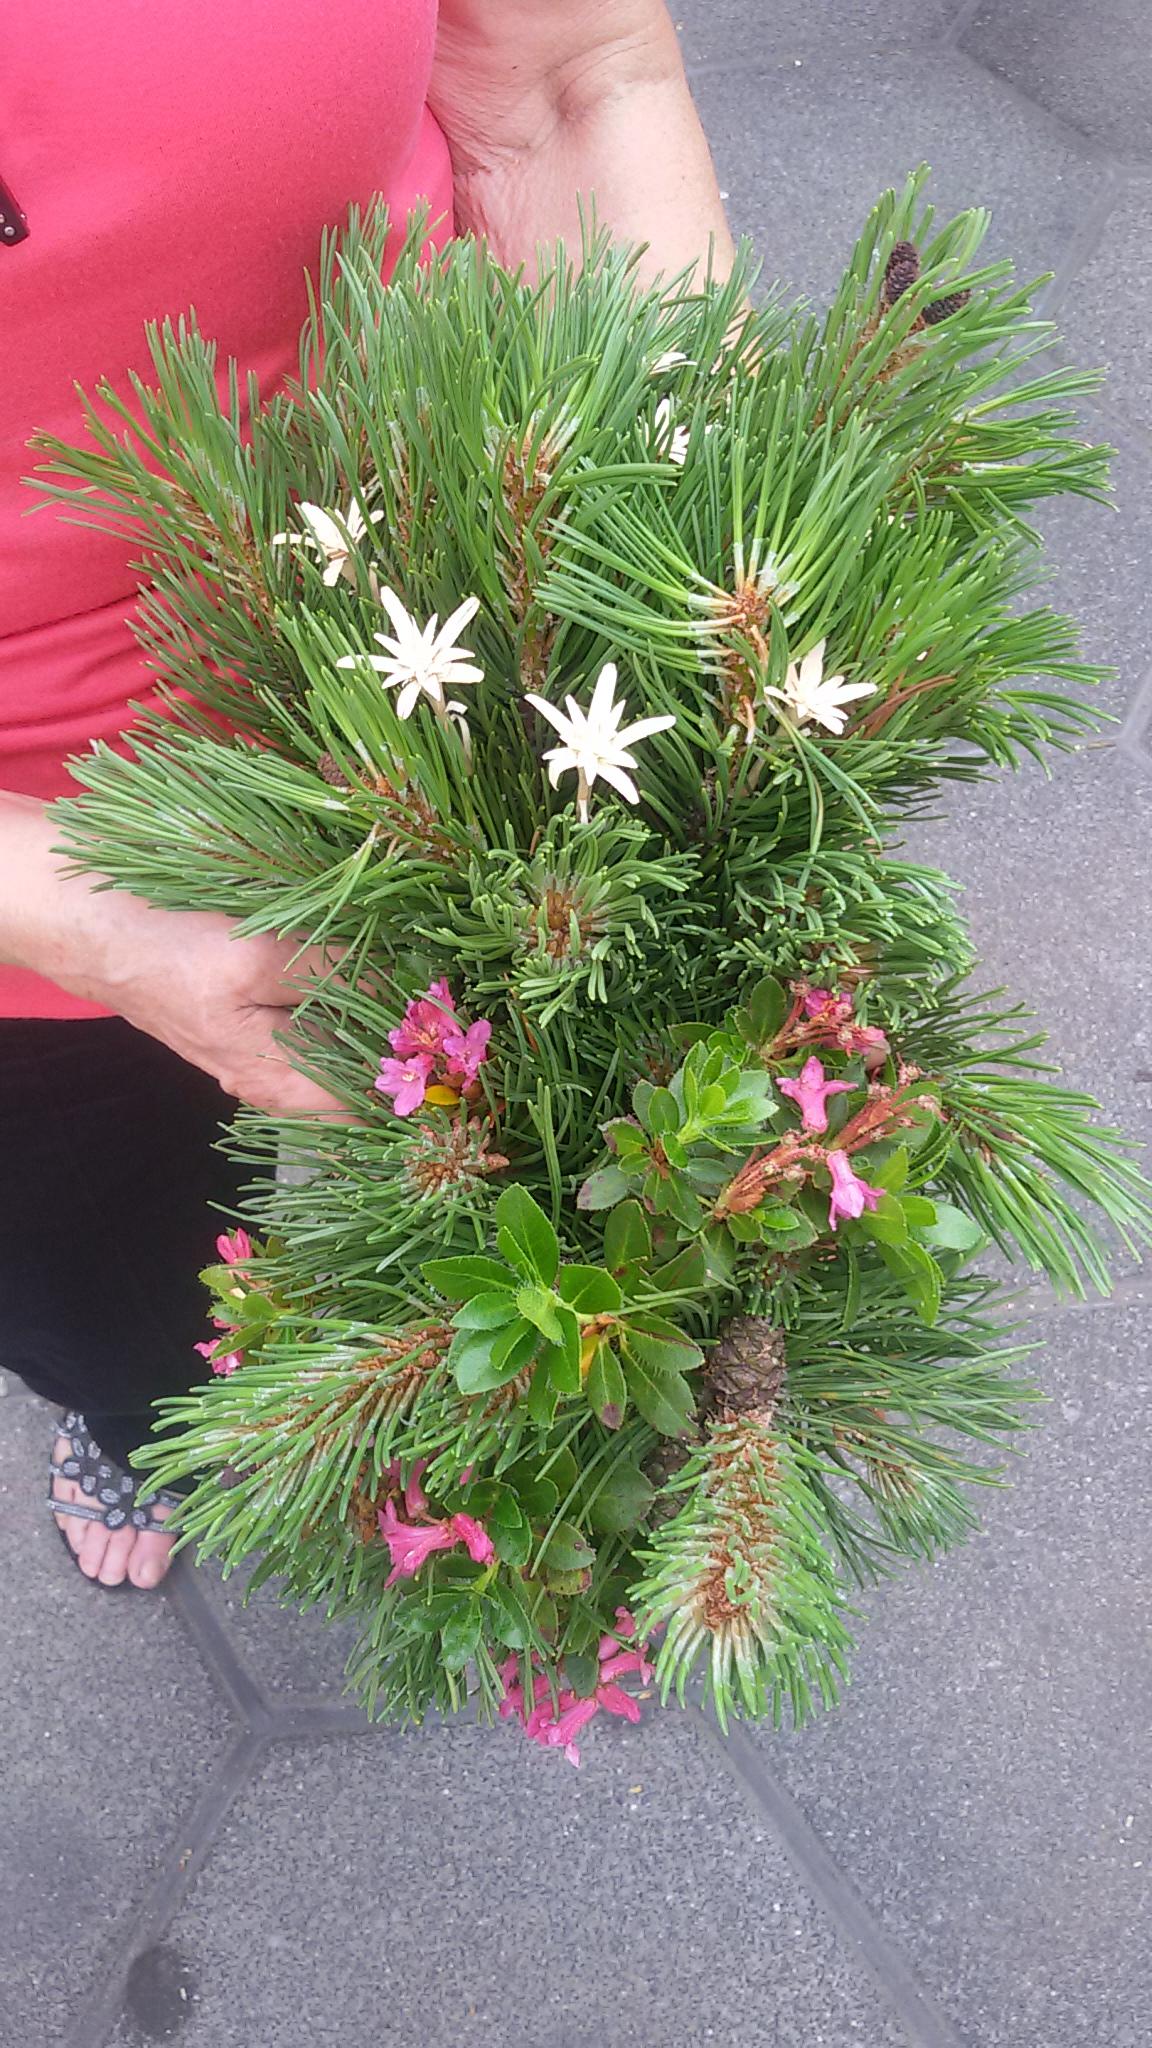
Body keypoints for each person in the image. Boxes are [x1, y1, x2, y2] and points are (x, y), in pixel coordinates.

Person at [0, 1, 734, 1589]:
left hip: (474, 650)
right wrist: (78, 915)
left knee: (591, 1134)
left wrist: (675, 536)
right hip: (35, 873)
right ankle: (149, 1417)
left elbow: (574, 69)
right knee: (118, 1283)